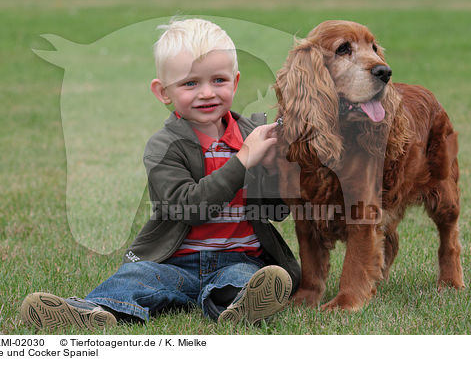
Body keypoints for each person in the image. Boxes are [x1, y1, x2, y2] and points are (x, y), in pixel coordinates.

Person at [20, 18, 300, 329]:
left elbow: (279, 211)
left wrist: (280, 167)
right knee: (137, 277)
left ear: (235, 82)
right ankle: (91, 311)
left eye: (218, 80)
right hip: (175, 262)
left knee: (245, 279)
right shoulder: (164, 147)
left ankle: (241, 304)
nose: (207, 93)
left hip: (240, 258)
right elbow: (191, 208)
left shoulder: (254, 136)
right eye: (190, 83)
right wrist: (245, 159)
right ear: (163, 92)